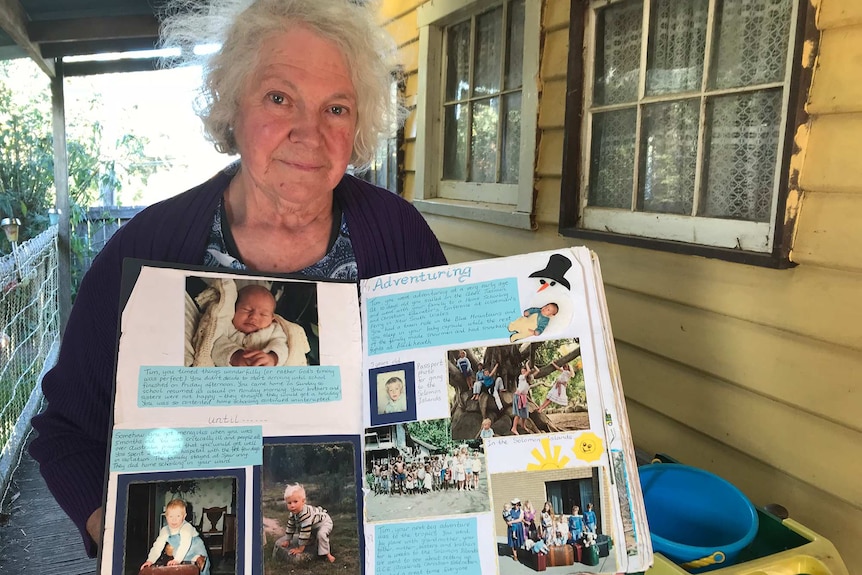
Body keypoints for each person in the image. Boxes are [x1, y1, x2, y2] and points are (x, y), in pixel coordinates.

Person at [29, 0, 447, 556]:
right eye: (279, 98)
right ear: (233, 107)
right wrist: (110, 525)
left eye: (337, 108)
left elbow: (443, 397)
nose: (309, 131)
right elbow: (66, 431)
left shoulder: (400, 237)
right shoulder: (149, 248)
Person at [211, 284, 288, 366]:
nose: (254, 317)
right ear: (234, 308)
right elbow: (216, 345)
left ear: (272, 318)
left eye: (263, 314)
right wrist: (235, 356)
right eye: (247, 310)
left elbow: (281, 346)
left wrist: (272, 358)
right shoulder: (227, 326)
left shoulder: (273, 330)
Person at [141, 498, 210, 574]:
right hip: (181, 553)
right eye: (171, 516)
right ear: (166, 516)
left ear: (184, 517)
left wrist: (177, 560)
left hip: (196, 548)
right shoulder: (165, 530)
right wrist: (150, 560)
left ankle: (198, 558)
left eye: (178, 516)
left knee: (204, 569)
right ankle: (195, 559)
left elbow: (185, 544)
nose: (174, 520)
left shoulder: (186, 527)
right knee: (185, 571)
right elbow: (157, 546)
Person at [275, 484, 335, 562]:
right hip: (314, 524)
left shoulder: (306, 514)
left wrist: (300, 549)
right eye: (289, 503)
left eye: (295, 502)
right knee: (300, 526)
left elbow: (304, 533)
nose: (292, 505)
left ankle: (327, 553)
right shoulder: (293, 513)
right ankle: (311, 539)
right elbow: (290, 527)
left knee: (321, 535)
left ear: (303, 501)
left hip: (324, 522)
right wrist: (287, 540)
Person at [511, 362, 540, 435]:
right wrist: (527, 364)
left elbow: (538, 371)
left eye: (524, 371)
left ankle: (523, 425)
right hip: (518, 396)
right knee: (518, 413)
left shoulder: (529, 378)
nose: (523, 372)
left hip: (524, 397)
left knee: (524, 413)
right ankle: (513, 428)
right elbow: (529, 371)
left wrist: (533, 364)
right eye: (522, 371)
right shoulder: (521, 377)